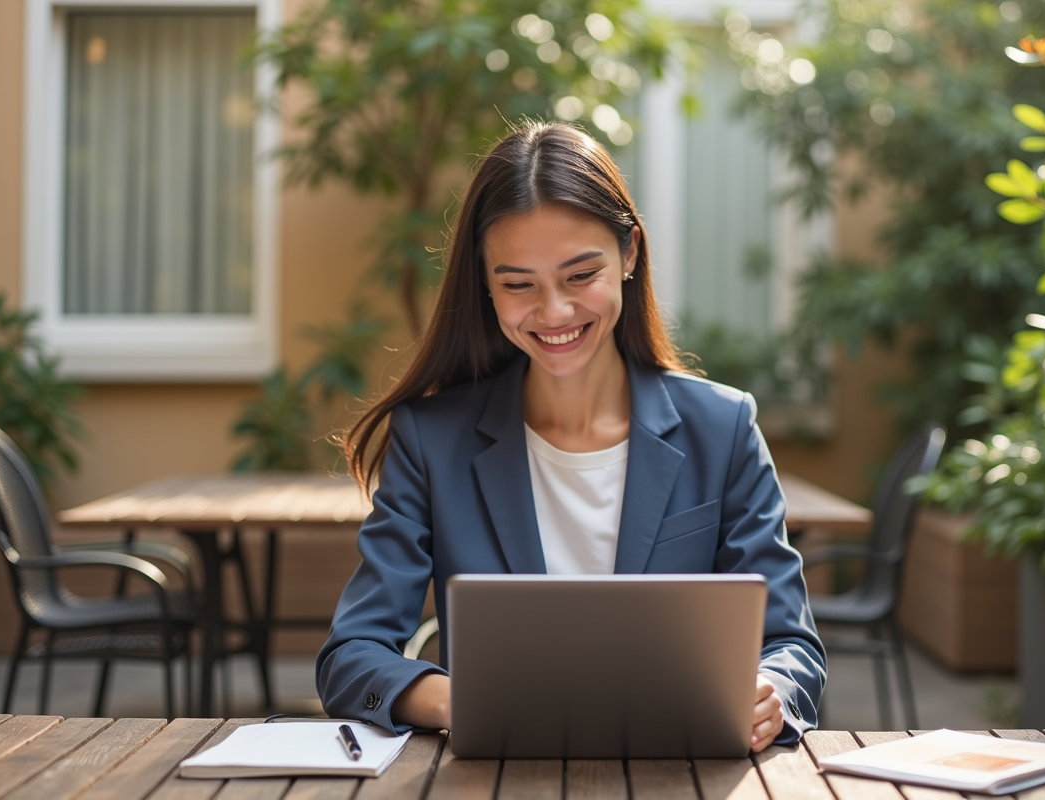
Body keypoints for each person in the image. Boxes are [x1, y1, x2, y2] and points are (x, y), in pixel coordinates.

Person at [317, 121, 826, 752]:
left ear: (630, 253)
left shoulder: (722, 428)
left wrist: (769, 691)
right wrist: (458, 698)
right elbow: (351, 656)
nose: (554, 312)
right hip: (498, 776)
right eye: (518, 284)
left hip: (681, 773)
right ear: (484, 282)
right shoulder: (433, 439)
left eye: (580, 276)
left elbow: (791, 644)